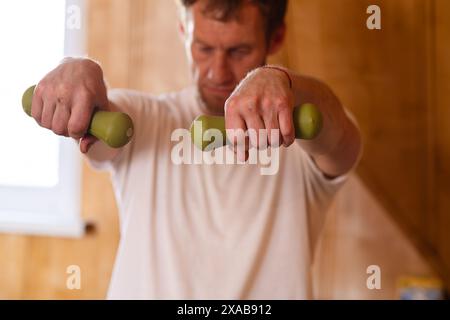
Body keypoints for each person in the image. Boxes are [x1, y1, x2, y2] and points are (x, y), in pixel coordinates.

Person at [30, 0, 361, 299]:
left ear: (275, 39)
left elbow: (338, 135)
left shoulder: (302, 137)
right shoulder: (143, 120)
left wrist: (282, 80)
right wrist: (80, 69)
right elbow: (98, 113)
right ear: (182, 30)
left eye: (238, 51)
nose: (217, 71)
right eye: (202, 48)